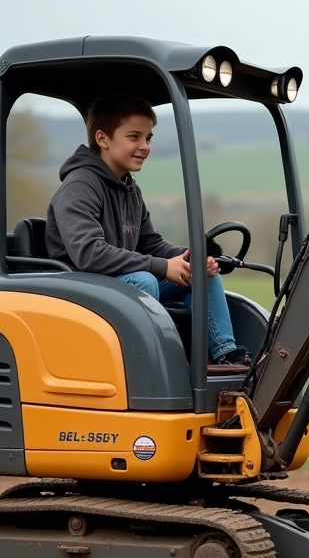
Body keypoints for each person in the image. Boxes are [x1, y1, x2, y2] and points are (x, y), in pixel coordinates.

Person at [45, 92, 250, 368]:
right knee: (145, 282)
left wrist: (189, 257)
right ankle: (153, 362)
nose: (144, 146)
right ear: (102, 138)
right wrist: (161, 266)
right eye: (134, 137)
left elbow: (151, 243)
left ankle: (225, 353)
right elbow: (89, 255)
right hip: (82, 289)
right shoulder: (79, 187)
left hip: (116, 284)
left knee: (200, 273)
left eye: (148, 138)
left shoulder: (129, 190)